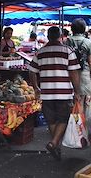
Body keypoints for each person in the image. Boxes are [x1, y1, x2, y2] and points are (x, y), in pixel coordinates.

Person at [29, 26, 81, 161]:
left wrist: (36, 87)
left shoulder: (40, 52)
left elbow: (31, 71)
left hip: (46, 93)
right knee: (63, 119)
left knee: (51, 120)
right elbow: (74, 72)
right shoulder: (67, 51)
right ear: (60, 36)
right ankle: (53, 143)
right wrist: (77, 91)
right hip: (64, 93)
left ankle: (56, 145)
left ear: (48, 36)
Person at [65, 19, 91, 110]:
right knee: (85, 104)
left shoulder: (66, 42)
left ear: (72, 29)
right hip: (84, 77)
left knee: (72, 104)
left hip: (69, 77)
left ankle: (73, 123)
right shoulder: (88, 42)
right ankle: (84, 123)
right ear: (84, 29)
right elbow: (90, 62)